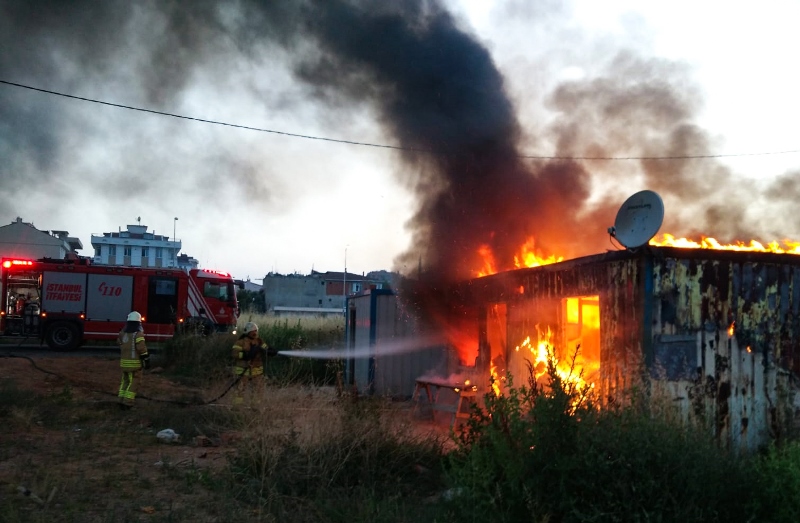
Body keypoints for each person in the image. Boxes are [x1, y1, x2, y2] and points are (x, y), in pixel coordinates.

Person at [231, 321, 272, 406]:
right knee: (240, 389)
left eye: (256, 331)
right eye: (253, 331)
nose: (255, 333)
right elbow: (234, 354)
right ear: (248, 332)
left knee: (257, 389)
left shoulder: (259, 341)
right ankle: (236, 407)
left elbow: (266, 348)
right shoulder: (240, 342)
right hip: (243, 370)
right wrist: (245, 355)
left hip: (256, 371)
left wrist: (271, 351)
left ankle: (255, 407)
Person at [117, 311, 149, 410]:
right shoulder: (138, 334)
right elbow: (141, 348)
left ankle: (121, 400)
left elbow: (119, 343)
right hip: (134, 365)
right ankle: (128, 403)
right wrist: (146, 358)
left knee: (125, 381)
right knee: (134, 382)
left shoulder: (122, 333)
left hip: (124, 363)